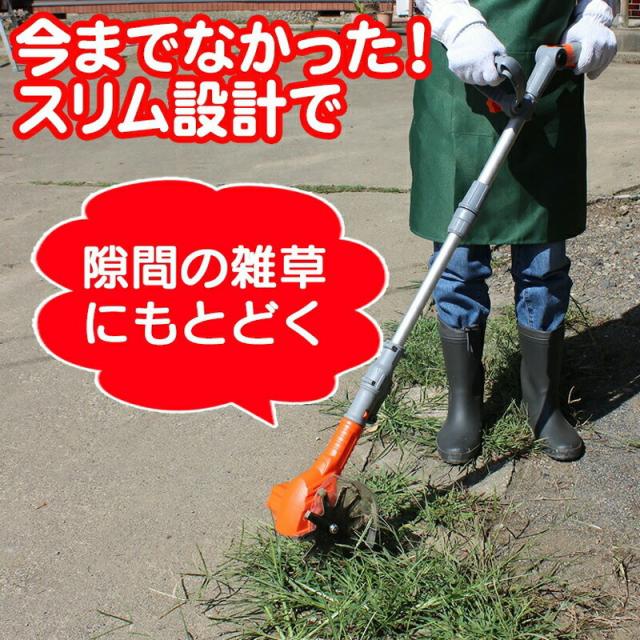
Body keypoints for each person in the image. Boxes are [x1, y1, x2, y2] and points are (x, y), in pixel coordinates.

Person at [410, 0, 617, 463]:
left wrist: (594, 15)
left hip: (549, 79)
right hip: (458, 83)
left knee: (545, 265)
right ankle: (464, 402)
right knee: (458, 265)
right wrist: (459, 25)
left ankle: (542, 401)